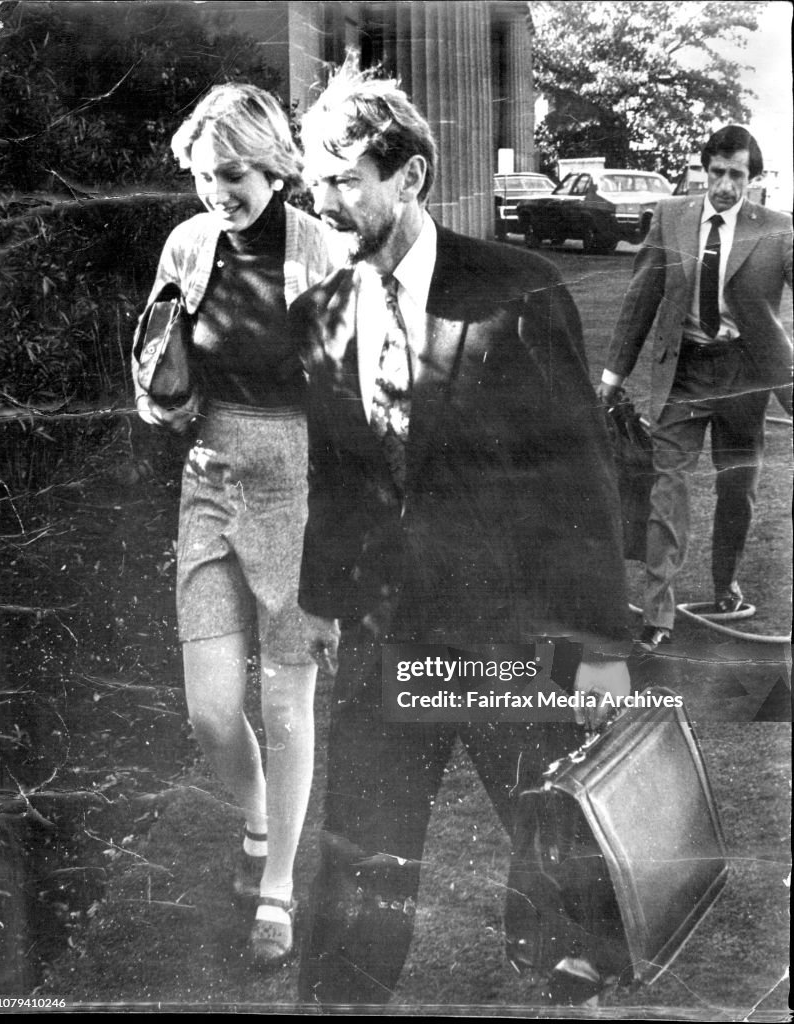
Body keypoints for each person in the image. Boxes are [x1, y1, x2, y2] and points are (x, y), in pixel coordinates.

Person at [289, 57, 632, 1007]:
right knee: (360, 840)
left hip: (500, 630)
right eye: (313, 185)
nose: (324, 205)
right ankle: (343, 993)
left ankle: (578, 951)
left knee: (543, 816)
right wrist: (320, 597)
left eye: (344, 183)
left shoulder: (516, 292)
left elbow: (581, 472)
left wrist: (601, 643)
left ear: (412, 177)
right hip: (382, 629)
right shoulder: (317, 316)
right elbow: (337, 475)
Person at [132, 83, 338, 966]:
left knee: (286, 705)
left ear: (276, 167)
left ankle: (278, 887)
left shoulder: (320, 249)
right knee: (213, 710)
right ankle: (257, 822)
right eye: (204, 178)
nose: (218, 193)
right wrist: (161, 399)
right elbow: (153, 364)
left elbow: (359, 397)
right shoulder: (188, 243)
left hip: (300, 483)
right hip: (211, 478)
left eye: (234, 176)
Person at [598, 125, 793, 652]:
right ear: (702, 170)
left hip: (743, 377)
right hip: (681, 372)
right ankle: (658, 615)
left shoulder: (778, 229)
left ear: (753, 179)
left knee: (739, 489)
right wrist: (611, 380)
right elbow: (640, 301)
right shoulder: (670, 217)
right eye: (718, 172)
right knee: (668, 488)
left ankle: (725, 586)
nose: (726, 185)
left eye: (738, 175)